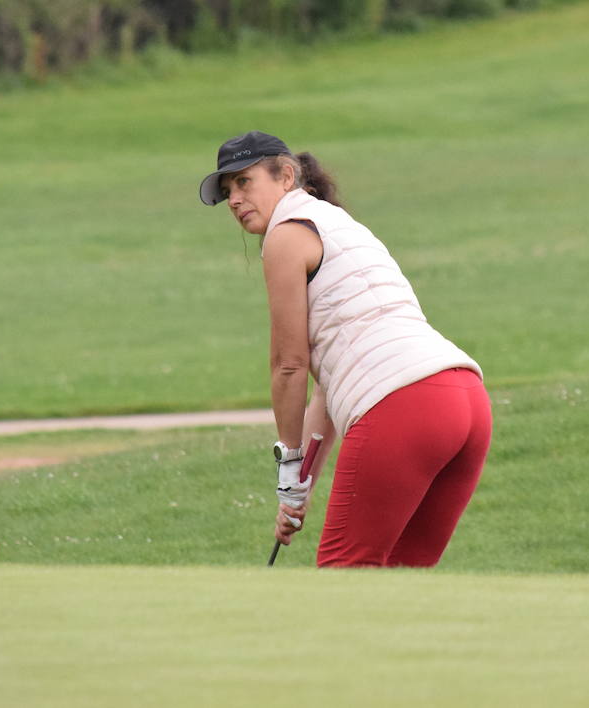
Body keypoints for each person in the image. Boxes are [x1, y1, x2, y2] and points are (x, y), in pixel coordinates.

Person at [199, 131, 491, 567]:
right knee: (400, 575)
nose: (235, 199)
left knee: (344, 572)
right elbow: (327, 391)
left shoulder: (286, 235)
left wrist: (287, 464)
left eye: (244, 182)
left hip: (405, 403)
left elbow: (289, 366)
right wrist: (299, 489)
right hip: (465, 401)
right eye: (227, 193)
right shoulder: (340, 225)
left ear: (286, 175)